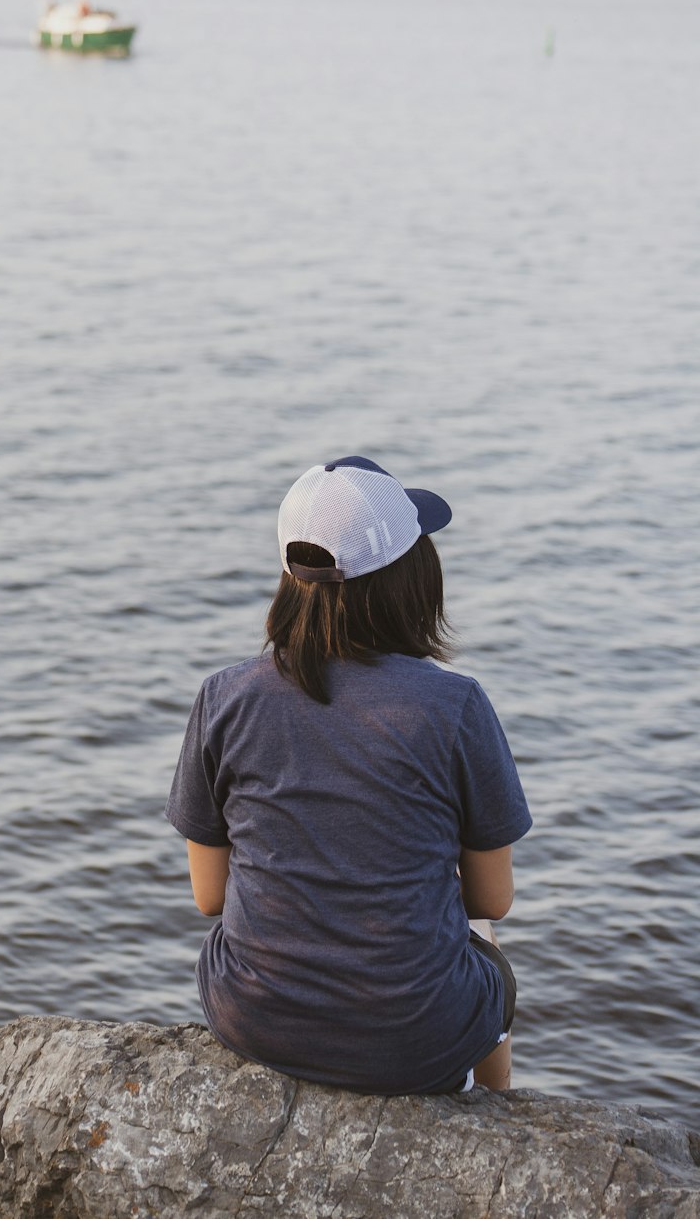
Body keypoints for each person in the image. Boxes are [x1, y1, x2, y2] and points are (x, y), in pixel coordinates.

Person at [165, 455, 532, 1095]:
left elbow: (208, 898)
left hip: (252, 1017)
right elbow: (491, 899)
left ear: (290, 573)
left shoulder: (223, 697)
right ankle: (496, 1110)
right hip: (415, 1038)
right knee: (483, 942)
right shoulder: (455, 705)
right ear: (407, 578)